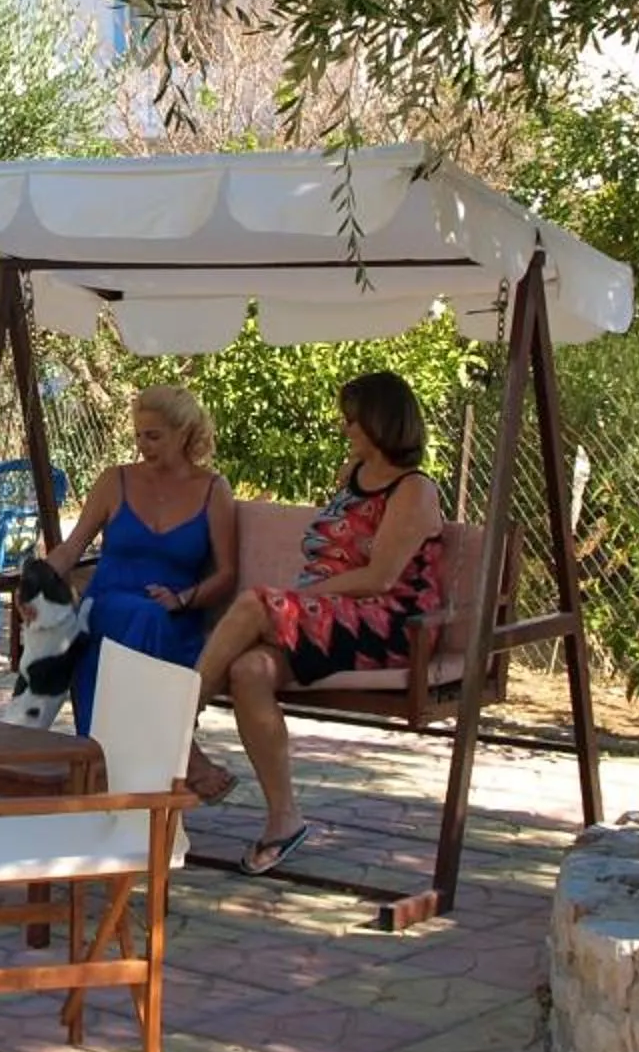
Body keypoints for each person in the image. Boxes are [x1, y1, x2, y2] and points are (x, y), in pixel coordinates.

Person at [192, 370, 448, 877]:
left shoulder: (413, 489)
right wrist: (301, 600)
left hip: (390, 623)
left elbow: (380, 576)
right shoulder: (353, 473)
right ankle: (284, 819)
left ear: (381, 422)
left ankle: (173, 729)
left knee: (253, 604)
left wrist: (296, 599)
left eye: (354, 420)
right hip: (331, 615)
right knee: (249, 672)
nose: (345, 428)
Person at [36, 385, 238, 795]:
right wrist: (34, 584)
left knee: (148, 620)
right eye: (139, 435)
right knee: (132, 619)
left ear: (183, 433)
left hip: (174, 616)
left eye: (154, 436)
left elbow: (227, 574)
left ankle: (118, 770)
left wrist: (183, 599)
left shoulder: (214, 490)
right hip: (109, 605)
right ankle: (183, 755)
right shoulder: (116, 481)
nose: (143, 445)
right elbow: (73, 548)